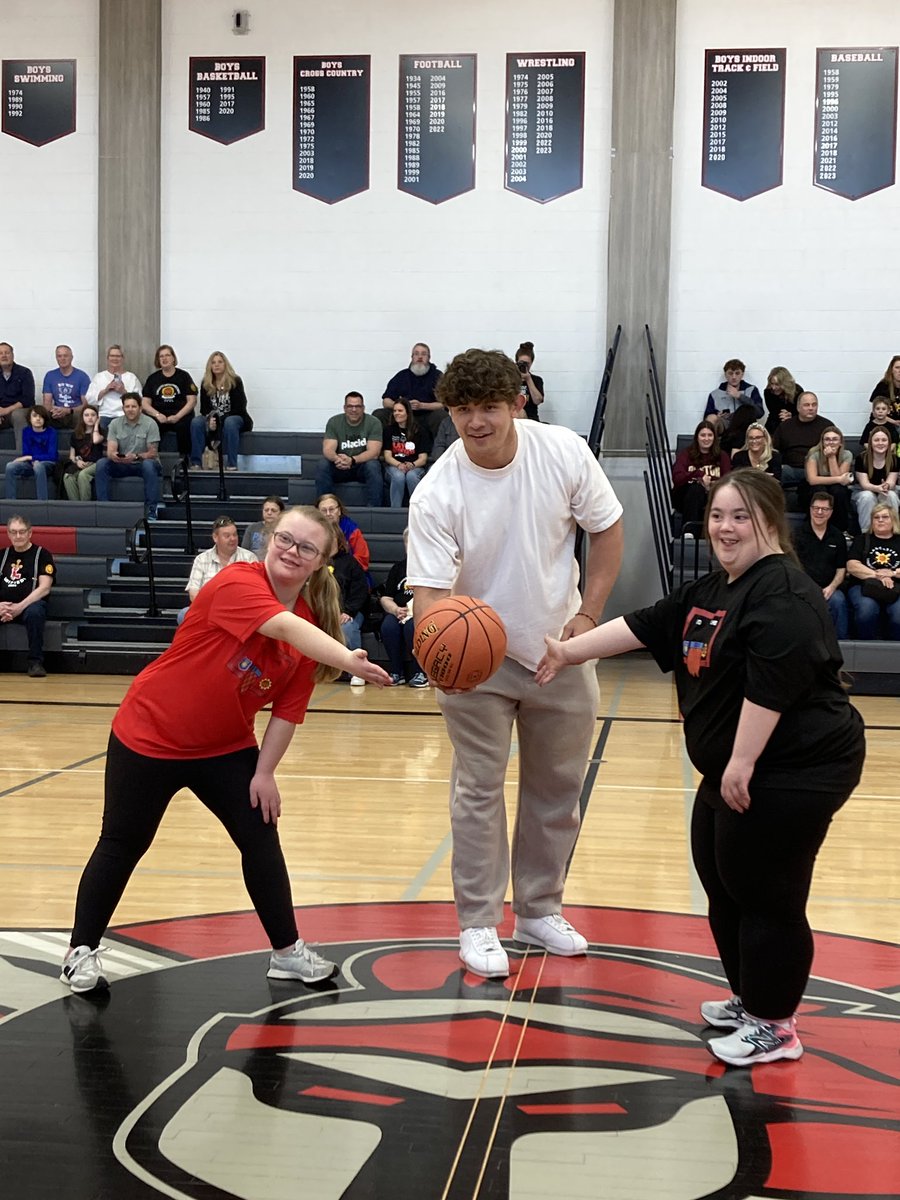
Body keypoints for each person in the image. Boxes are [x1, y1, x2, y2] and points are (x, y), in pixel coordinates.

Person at [536, 469, 865, 1067]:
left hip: (796, 768)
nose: (725, 527)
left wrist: (741, 762)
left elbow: (774, 685)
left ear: (770, 521)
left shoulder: (784, 593)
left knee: (767, 893)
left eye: (740, 516)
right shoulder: (714, 589)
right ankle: (751, 999)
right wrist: (566, 651)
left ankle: (775, 1025)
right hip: (741, 767)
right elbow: (644, 624)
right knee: (722, 878)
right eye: (717, 515)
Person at [60, 505, 391, 994]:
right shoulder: (239, 581)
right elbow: (281, 627)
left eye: (306, 548)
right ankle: (79, 952)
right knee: (123, 843)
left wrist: (265, 773)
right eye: (285, 539)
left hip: (225, 746)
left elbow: (287, 712)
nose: (291, 551)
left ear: (322, 562)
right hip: (149, 734)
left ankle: (286, 953)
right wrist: (348, 659)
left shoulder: (309, 629)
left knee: (261, 838)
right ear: (270, 538)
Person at [407, 348, 624, 979]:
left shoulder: (562, 451)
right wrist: (445, 657)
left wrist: (589, 618)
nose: (476, 422)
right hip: (477, 663)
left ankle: (538, 910)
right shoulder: (436, 492)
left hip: (562, 645)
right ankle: (478, 921)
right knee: (478, 790)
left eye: (489, 407)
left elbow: (607, 530)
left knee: (558, 788)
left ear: (516, 404)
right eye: (462, 410)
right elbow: (430, 597)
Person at [0, 513, 56, 677]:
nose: (18, 536)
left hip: (29, 605)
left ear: (30, 533)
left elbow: (44, 588)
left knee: (35, 612)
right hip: (3, 605)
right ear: (8, 534)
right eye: (13, 532)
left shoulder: (42, 554)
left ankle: (35, 663)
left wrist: (19, 607)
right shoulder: (2, 555)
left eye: (22, 531)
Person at [95, 393, 163, 520]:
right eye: (127, 407)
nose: (130, 409)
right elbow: (110, 451)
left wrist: (136, 456)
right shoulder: (115, 424)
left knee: (148, 465)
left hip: (143, 464)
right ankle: (103, 507)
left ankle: (151, 509)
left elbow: (152, 453)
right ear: (123, 409)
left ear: (140, 408)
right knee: (102, 464)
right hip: (122, 463)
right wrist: (115, 455)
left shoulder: (150, 423)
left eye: (133, 406)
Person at [178, 515, 258, 623]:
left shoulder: (249, 558)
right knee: (183, 614)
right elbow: (193, 593)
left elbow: (255, 593)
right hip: (208, 611)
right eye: (227, 536)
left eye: (234, 534)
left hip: (239, 611)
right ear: (215, 538)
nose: (232, 539)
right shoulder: (202, 559)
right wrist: (214, 610)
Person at [793, 491, 849, 638]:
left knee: (838, 601)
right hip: (803, 587)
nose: (819, 512)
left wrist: (831, 587)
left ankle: (841, 644)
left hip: (830, 588)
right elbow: (792, 567)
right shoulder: (796, 534)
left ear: (831, 512)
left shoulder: (837, 536)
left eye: (824, 509)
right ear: (810, 509)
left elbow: (841, 569)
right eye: (816, 508)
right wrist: (807, 588)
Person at [378, 529, 428, 687]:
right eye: (409, 543)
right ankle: (396, 672)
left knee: (412, 627)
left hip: (421, 613)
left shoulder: (430, 568)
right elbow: (386, 598)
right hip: (399, 611)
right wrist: (395, 610)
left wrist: (417, 611)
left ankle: (420, 672)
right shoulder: (398, 568)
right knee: (388, 626)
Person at [314, 392, 384, 507]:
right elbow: (328, 449)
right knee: (323, 464)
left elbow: (374, 452)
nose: (354, 410)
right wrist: (337, 459)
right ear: (344, 408)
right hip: (340, 465)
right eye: (350, 406)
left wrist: (352, 460)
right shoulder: (334, 421)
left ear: (363, 408)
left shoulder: (373, 422)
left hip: (361, 466)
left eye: (358, 406)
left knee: (373, 465)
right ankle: (325, 507)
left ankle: (374, 509)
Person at [190, 351, 253, 471]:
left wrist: (217, 421)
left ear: (225, 364)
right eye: (213, 363)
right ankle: (196, 463)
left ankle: (231, 464)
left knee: (230, 422)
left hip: (235, 418)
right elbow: (204, 409)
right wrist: (210, 419)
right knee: (196, 422)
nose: (216, 365)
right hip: (213, 418)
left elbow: (239, 407)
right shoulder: (205, 383)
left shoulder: (235, 381)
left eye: (220, 362)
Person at [846, 503, 900, 639]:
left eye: (885, 517)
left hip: (896, 587)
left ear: (893, 519)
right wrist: (878, 575)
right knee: (867, 610)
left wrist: (893, 573)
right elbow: (852, 566)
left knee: (898, 613)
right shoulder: (862, 540)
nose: (880, 520)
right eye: (876, 517)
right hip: (863, 585)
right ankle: (866, 647)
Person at [142, 344, 199, 458]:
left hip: (180, 415)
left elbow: (192, 401)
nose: (164, 358)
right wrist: (157, 415)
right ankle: (152, 458)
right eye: (161, 356)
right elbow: (145, 403)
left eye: (167, 355)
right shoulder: (152, 378)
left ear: (173, 358)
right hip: (159, 415)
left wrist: (177, 416)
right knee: (150, 425)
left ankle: (184, 460)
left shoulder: (184, 376)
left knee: (184, 426)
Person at [671, 420, 730, 528]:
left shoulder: (722, 456)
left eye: (710, 435)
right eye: (703, 435)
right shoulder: (686, 454)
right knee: (696, 489)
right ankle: (689, 533)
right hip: (686, 497)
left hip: (713, 495)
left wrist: (710, 486)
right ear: (697, 437)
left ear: (714, 437)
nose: (706, 439)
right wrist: (698, 474)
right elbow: (677, 478)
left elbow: (728, 481)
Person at [329, 529, 370, 685]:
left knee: (347, 626)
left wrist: (347, 611)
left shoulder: (351, 563)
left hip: (349, 611)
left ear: (339, 540)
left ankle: (358, 671)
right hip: (324, 612)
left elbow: (360, 592)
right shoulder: (316, 562)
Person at [772, 391, 833, 488]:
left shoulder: (826, 426)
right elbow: (774, 449)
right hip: (791, 469)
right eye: (806, 405)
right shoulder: (785, 426)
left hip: (818, 470)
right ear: (798, 407)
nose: (811, 408)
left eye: (814, 405)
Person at [382, 342, 444, 435]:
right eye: (416, 354)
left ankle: (439, 444)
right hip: (404, 415)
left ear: (429, 358)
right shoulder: (402, 376)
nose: (420, 357)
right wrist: (403, 406)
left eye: (423, 354)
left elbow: (444, 404)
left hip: (428, 415)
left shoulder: (437, 376)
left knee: (441, 415)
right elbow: (386, 401)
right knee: (380, 414)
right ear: (412, 357)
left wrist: (422, 406)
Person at [382, 396, 431, 507]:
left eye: (400, 410)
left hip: (415, 467)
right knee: (398, 476)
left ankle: (416, 509)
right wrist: (399, 465)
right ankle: (395, 511)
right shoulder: (389, 430)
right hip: (394, 466)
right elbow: (387, 456)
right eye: (394, 411)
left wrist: (412, 465)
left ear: (408, 413)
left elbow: (423, 458)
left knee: (411, 476)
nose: (396, 413)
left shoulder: (420, 431)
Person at [802, 426, 853, 530]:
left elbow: (839, 480)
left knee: (838, 491)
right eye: (827, 439)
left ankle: (840, 529)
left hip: (835, 487)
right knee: (819, 490)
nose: (831, 442)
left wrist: (831, 457)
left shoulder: (847, 454)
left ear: (840, 442)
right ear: (822, 442)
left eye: (835, 439)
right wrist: (839, 479)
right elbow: (812, 480)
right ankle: (813, 527)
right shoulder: (814, 453)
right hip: (814, 487)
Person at [4, 405, 59, 500]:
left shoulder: (51, 432)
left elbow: (52, 456)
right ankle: (10, 500)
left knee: (38, 466)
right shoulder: (26, 431)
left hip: (48, 464)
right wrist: (31, 460)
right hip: (30, 463)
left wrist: (32, 458)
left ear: (45, 418)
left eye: (41, 416)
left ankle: (42, 501)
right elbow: (26, 452)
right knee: (10, 466)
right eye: (35, 416)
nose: (38, 419)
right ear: (29, 418)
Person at [853, 428, 899, 532]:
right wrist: (877, 488)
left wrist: (886, 486)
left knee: (891, 495)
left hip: (886, 490)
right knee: (867, 496)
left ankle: (893, 531)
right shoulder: (861, 458)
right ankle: (867, 532)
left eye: (884, 440)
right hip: (863, 491)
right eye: (876, 440)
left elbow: (891, 482)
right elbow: (864, 484)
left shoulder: (894, 459)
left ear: (889, 443)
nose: (880, 443)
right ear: (871, 442)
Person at [86, 345, 142, 430]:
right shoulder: (99, 377)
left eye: (118, 356)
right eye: (112, 356)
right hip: (105, 415)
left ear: (123, 358)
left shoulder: (131, 377)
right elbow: (89, 399)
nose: (115, 358)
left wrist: (124, 392)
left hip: (125, 415)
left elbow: (139, 400)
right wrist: (106, 390)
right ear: (108, 358)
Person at [316, 493, 371, 576]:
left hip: (350, 575)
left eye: (331, 509)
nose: (328, 514)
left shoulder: (352, 530)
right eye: (323, 510)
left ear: (339, 511)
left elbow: (362, 558)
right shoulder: (312, 531)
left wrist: (340, 569)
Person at [703, 358, 762, 432]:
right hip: (725, 427)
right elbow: (707, 418)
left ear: (742, 374)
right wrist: (718, 416)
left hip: (745, 427)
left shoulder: (752, 390)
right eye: (730, 373)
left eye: (737, 373)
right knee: (711, 418)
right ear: (725, 375)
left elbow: (760, 413)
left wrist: (740, 396)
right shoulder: (715, 394)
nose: (734, 377)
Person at [62, 405, 105, 501]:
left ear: (97, 417)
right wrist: (77, 461)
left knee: (83, 475)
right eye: (86, 415)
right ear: (82, 417)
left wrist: (96, 426)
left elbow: (95, 440)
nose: (90, 418)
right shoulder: (75, 434)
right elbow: (72, 456)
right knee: (68, 476)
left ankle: (85, 504)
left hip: (96, 464)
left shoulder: (101, 432)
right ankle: (76, 505)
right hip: (81, 463)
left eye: (93, 415)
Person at [42, 344, 91, 428]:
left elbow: (86, 405)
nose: (62, 358)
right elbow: (47, 404)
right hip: (56, 413)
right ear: (56, 358)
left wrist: (68, 411)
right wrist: (55, 411)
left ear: (72, 357)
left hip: (75, 413)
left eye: (65, 356)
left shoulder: (82, 376)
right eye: (59, 356)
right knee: (42, 416)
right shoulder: (50, 375)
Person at [0, 342, 35, 451]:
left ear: (12, 355)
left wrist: (6, 410)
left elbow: (28, 399)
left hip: (19, 410)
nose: (4, 356)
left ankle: (23, 454)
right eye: (0, 353)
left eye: (7, 353)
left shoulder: (25, 372)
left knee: (18, 415)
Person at [243, 495, 286, 560]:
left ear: (281, 513)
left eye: (273, 510)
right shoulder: (252, 528)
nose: (269, 513)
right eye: (266, 510)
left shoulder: (285, 530)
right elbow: (244, 552)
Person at [762, 366, 802, 435]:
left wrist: (791, 415)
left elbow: (801, 410)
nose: (773, 387)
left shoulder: (797, 391)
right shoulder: (768, 392)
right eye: (772, 384)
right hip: (774, 423)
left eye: (777, 384)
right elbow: (774, 412)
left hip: (794, 422)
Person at [515, 341, 544, 421]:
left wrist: (528, 379)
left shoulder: (536, 380)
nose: (523, 365)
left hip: (531, 418)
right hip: (514, 417)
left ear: (531, 363)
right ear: (516, 362)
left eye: (526, 364)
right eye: (521, 363)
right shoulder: (509, 379)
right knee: (520, 412)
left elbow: (537, 401)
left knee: (521, 413)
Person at [868, 355, 900, 426]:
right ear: (891, 370)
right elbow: (876, 411)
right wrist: (894, 422)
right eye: (897, 367)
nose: (899, 371)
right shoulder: (883, 386)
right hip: (884, 422)